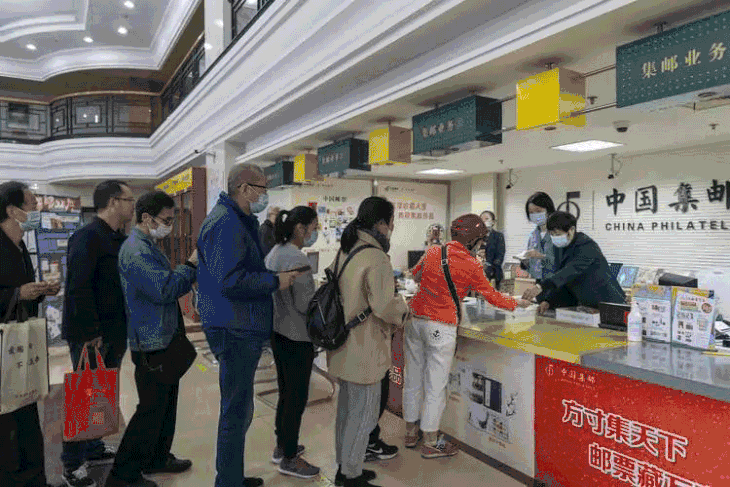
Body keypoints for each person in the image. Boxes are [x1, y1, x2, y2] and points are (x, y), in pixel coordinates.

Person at [197, 164, 302, 487]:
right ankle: (228, 482)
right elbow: (231, 280)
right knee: (235, 410)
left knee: (240, 409)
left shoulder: (237, 220)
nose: (265, 195)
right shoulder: (226, 223)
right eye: (262, 188)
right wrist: (275, 281)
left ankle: (231, 476)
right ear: (244, 188)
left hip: (238, 323)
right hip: (234, 327)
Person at [404, 214, 530, 459]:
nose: (481, 245)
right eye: (480, 241)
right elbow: (492, 296)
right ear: (472, 240)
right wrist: (518, 303)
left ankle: (410, 433)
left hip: (415, 320)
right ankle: (430, 441)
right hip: (440, 325)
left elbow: (415, 276)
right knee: (435, 385)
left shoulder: (433, 252)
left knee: (413, 378)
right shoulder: (471, 263)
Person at [105, 191, 198, 487]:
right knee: (150, 410)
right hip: (151, 343)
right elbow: (165, 289)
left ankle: (157, 457)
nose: (169, 226)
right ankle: (123, 475)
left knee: (166, 406)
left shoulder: (147, 245)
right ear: (147, 218)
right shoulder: (136, 250)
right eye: (166, 220)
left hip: (162, 338)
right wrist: (191, 265)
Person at [327, 196, 409, 487]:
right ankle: (351, 476)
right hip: (366, 348)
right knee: (363, 415)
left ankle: (345, 467)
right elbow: (384, 306)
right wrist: (403, 309)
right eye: (392, 222)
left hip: (343, 343)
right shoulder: (376, 257)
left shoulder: (346, 249)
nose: (392, 228)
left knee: (346, 412)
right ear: (381, 224)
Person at [61, 180, 136, 487]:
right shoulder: (88, 237)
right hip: (90, 334)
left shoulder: (118, 238)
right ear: (113, 202)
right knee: (84, 394)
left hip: (114, 330)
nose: (133, 206)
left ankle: (92, 447)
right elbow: (78, 287)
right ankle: (72, 464)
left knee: (101, 392)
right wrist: (91, 332)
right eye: (129, 200)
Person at [0, 181, 60, 487]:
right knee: (8, 419)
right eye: (32, 204)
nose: (37, 209)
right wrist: (17, 293)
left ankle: (35, 478)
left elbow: (22, 291)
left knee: (28, 412)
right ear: (13, 210)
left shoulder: (20, 245)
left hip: (23, 343)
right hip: (4, 347)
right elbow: (13, 292)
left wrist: (40, 291)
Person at [264, 206, 321, 479]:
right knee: (296, 398)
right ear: (300, 228)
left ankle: (282, 445)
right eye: (313, 228)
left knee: (285, 393)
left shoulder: (274, 252)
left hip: (278, 333)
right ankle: (289, 458)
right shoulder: (297, 258)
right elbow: (305, 304)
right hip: (298, 336)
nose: (314, 233)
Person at [522, 211, 626, 313]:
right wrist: (549, 301)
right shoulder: (559, 248)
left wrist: (541, 286)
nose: (555, 238)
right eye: (552, 234)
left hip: (608, 301)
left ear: (572, 230)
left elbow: (569, 272)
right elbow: (561, 278)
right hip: (586, 304)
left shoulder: (587, 246)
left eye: (558, 234)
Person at [520, 192, 557, 284]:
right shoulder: (532, 235)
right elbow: (531, 265)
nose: (535, 215)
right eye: (531, 212)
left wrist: (542, 256)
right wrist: (525, 261)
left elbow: (564, 261)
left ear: (548, 210)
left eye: (538, 211)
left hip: (555, 280)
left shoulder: (558, 233)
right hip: (537, 280)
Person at [478, 211, 505, 291]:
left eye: (486, 219)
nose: (484, 221)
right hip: (477, 273)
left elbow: (500, 256)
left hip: (493, 274)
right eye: (482, 219)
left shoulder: (498, 236)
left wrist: (488, 266)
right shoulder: (476, 237)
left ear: (493, 222)